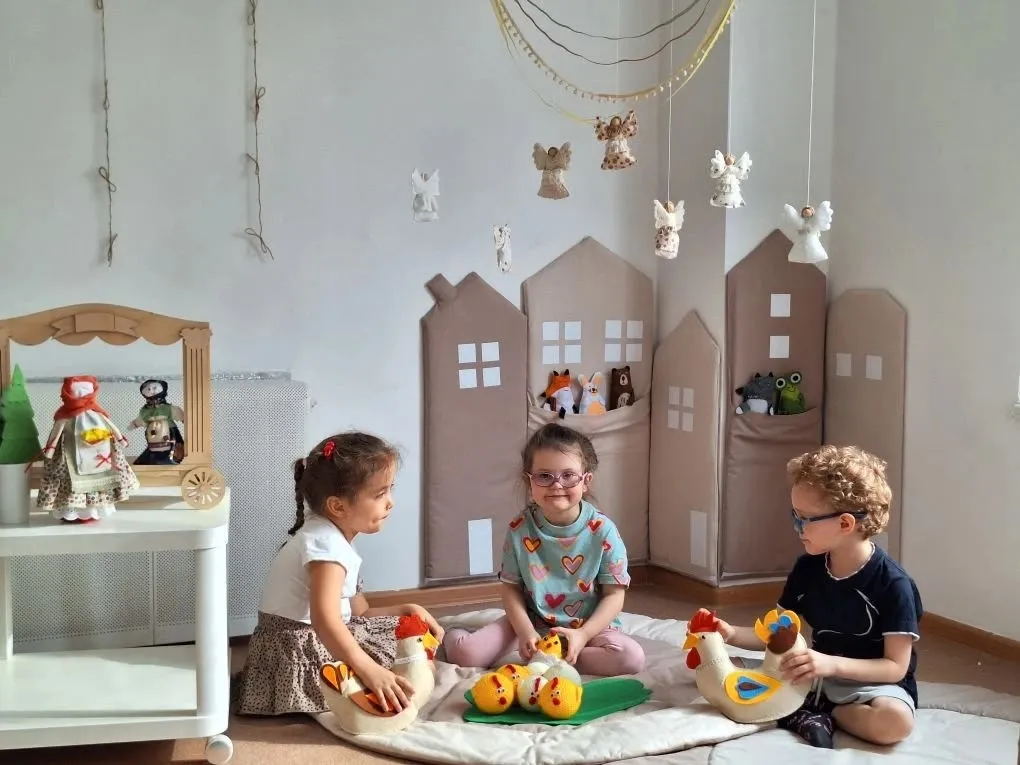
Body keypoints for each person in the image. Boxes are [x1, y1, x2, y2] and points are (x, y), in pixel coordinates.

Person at [716, 445, 922, 748]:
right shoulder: (807, 568)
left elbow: (894, 667)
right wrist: (729, 633)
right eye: (795, 515)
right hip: (815, 674)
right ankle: (804, 704)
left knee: (895, 723)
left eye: (804, 518)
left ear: (845, 523)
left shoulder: (894, 584)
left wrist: (831, 665)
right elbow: (779, 635)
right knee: (723, 673)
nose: (797, 527)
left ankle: (816, 710)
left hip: (872, 685)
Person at [233, 432, 445, 716]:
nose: (390, 502)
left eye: (390, 490)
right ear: (338, 506)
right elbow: (325, 622)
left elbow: (360, 613)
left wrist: (409, 608)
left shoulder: (334, 536)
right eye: (380, 494)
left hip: (322, 632)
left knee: (407, 641)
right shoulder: (326, 547)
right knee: (405, 670)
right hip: (301, 646)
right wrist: (369, 669)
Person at [443, 423, 645, 675]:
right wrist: (525, 631)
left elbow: (614, 595)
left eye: (568, 475)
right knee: (465, 654)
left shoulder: (603, 531)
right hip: (532, 622)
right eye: (544, 476)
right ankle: (454, 634)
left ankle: (550, 658)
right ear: (529, 482)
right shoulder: (520, 529)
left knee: (631, 659)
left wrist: (583, 634)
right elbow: (511, 589)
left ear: (586, 481)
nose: (557, 485)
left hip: (589, 627)